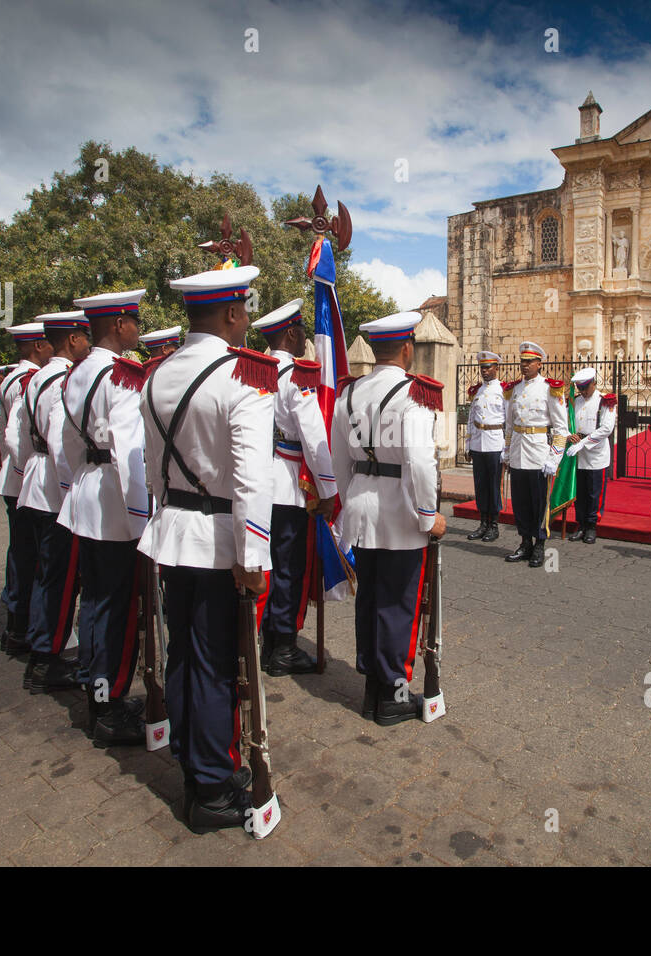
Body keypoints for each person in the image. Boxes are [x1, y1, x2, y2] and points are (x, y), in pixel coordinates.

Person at [140, 264, 273, 832]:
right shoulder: (242, 378)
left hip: (172, 535)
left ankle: (195, 765)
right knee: (217, 664)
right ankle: (213, 789)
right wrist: (254, 559)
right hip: (220, 543)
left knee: (187, 657)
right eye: (244, 310)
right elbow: (250, 482)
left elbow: (150, 467)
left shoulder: (155, 374)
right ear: (234, 313)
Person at [331, 310, 445, 726]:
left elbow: (339, 460)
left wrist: (350, 503)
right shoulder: (412, 395)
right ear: (406, 348)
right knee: (397, 605)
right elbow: (419, 463)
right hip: (398, 514)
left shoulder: (348, 394)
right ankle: (394, 693)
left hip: (361, 509)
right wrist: (429, 514)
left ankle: (373, 690)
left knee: (371, 601)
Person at [57, 289, 150, 747]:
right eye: (134, 321)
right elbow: (130, 456)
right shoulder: (122, 377)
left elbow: (67, 445)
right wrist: (142, 524)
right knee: (117, 609)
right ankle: (110, 704)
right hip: (115, 503)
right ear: (118, 325)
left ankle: (95, 688)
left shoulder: (77, 373)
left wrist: (73, 488)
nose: (138, 328)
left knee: (93, 602)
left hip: (86, 496)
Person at [251, 299, 337, 677]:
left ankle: (269, 640)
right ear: (290, 333)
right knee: (290, 569)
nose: (306, 339)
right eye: (302, 332)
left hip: (258, 483)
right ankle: (283, 646)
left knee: (269, 565)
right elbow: (314, 437)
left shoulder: (255, 370)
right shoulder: (295, 376)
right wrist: (330, 490)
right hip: (288, 486)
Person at [17, 313, 87, 696]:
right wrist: (69, 497)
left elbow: (19, 436)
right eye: (85, 338)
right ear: (73, 340)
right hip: (55, 492)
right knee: (59, 579)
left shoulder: (37, 378)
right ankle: (48, 656)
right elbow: (63, 447)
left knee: (47, 573)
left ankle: (40, 644)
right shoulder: (62, 381)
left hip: (35, 481)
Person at [0, 323, 50, 656]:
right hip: (22, 478)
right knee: (30, 558)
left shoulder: (15, 379)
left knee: (23, 554)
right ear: (39, 347)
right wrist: (26, 470)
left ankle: (20, 623)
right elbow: (16, 437)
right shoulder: (25, 382)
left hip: (17, 477)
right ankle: (23, 626)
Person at [501, 341, 568, 568]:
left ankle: (539, 544)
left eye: (530, 362)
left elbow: (561, 429)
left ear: (540, 363)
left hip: (539, 452)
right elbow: (509, 426)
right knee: (520, 502)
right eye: (522, 361)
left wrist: (554, 458)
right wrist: (507, 451)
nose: (525, 365)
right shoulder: (514, 389)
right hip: (519, 450)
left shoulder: (551, 388)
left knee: (539, 502)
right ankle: (524, 542)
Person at [565, 367, 617, 543]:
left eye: (585, 387)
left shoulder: (605, 401)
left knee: (595, 493)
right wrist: (568, 435)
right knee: (580, 492)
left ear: (594, 383)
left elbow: (606, 429)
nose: (583, 391)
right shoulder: (575, 401)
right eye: (580, 388)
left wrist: (583, 443)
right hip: (577, 455)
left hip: (595, 454)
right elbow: (566, 421)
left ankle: (592, 526)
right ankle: (580, 524)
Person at [465, 350, 505, 541]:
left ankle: (494, 525)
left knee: (494, 486)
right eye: (482, 367)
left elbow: (509, 421)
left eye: (488, 367)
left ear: (497, 368)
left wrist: (506, 447)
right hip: (478, 443)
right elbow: (471, 418)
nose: (485, 371)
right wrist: (468, 443)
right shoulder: (477, 391)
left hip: (495, 442)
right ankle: (483, 523)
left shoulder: (504, 390)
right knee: (480, 486)